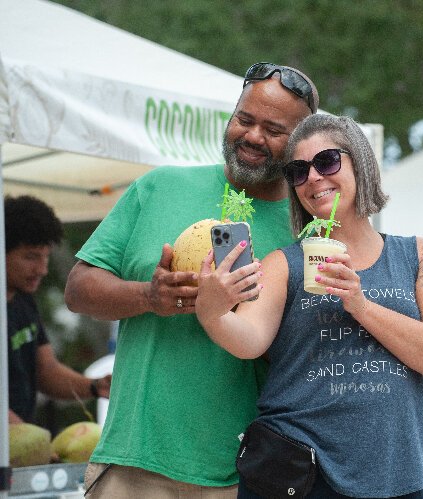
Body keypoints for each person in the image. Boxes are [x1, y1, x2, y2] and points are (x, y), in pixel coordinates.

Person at [64, 62, 318, 498]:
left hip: (245, 474)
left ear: (301, 143)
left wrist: (244, 312)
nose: (253, 136)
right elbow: (78, 289)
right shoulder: (160, 187)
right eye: (245, 119)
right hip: (133, 464)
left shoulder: (309, 229)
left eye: (274, 129)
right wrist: (148, 295)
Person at [194, 113, 423, 498]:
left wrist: (361, 305)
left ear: (360, 163)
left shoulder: (418, 255)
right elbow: (249, 340)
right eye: (299, 170)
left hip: (398, 480)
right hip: (298, 476)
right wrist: (212, 313)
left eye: (327, 162)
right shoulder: (283, 264)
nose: (314, 178)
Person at [6, 195, 111, 425]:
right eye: (31, 257)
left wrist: (94, 386)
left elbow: (46, 370)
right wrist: (27, 438)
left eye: (46, 257)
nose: (42, 269)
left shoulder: (24, 301)